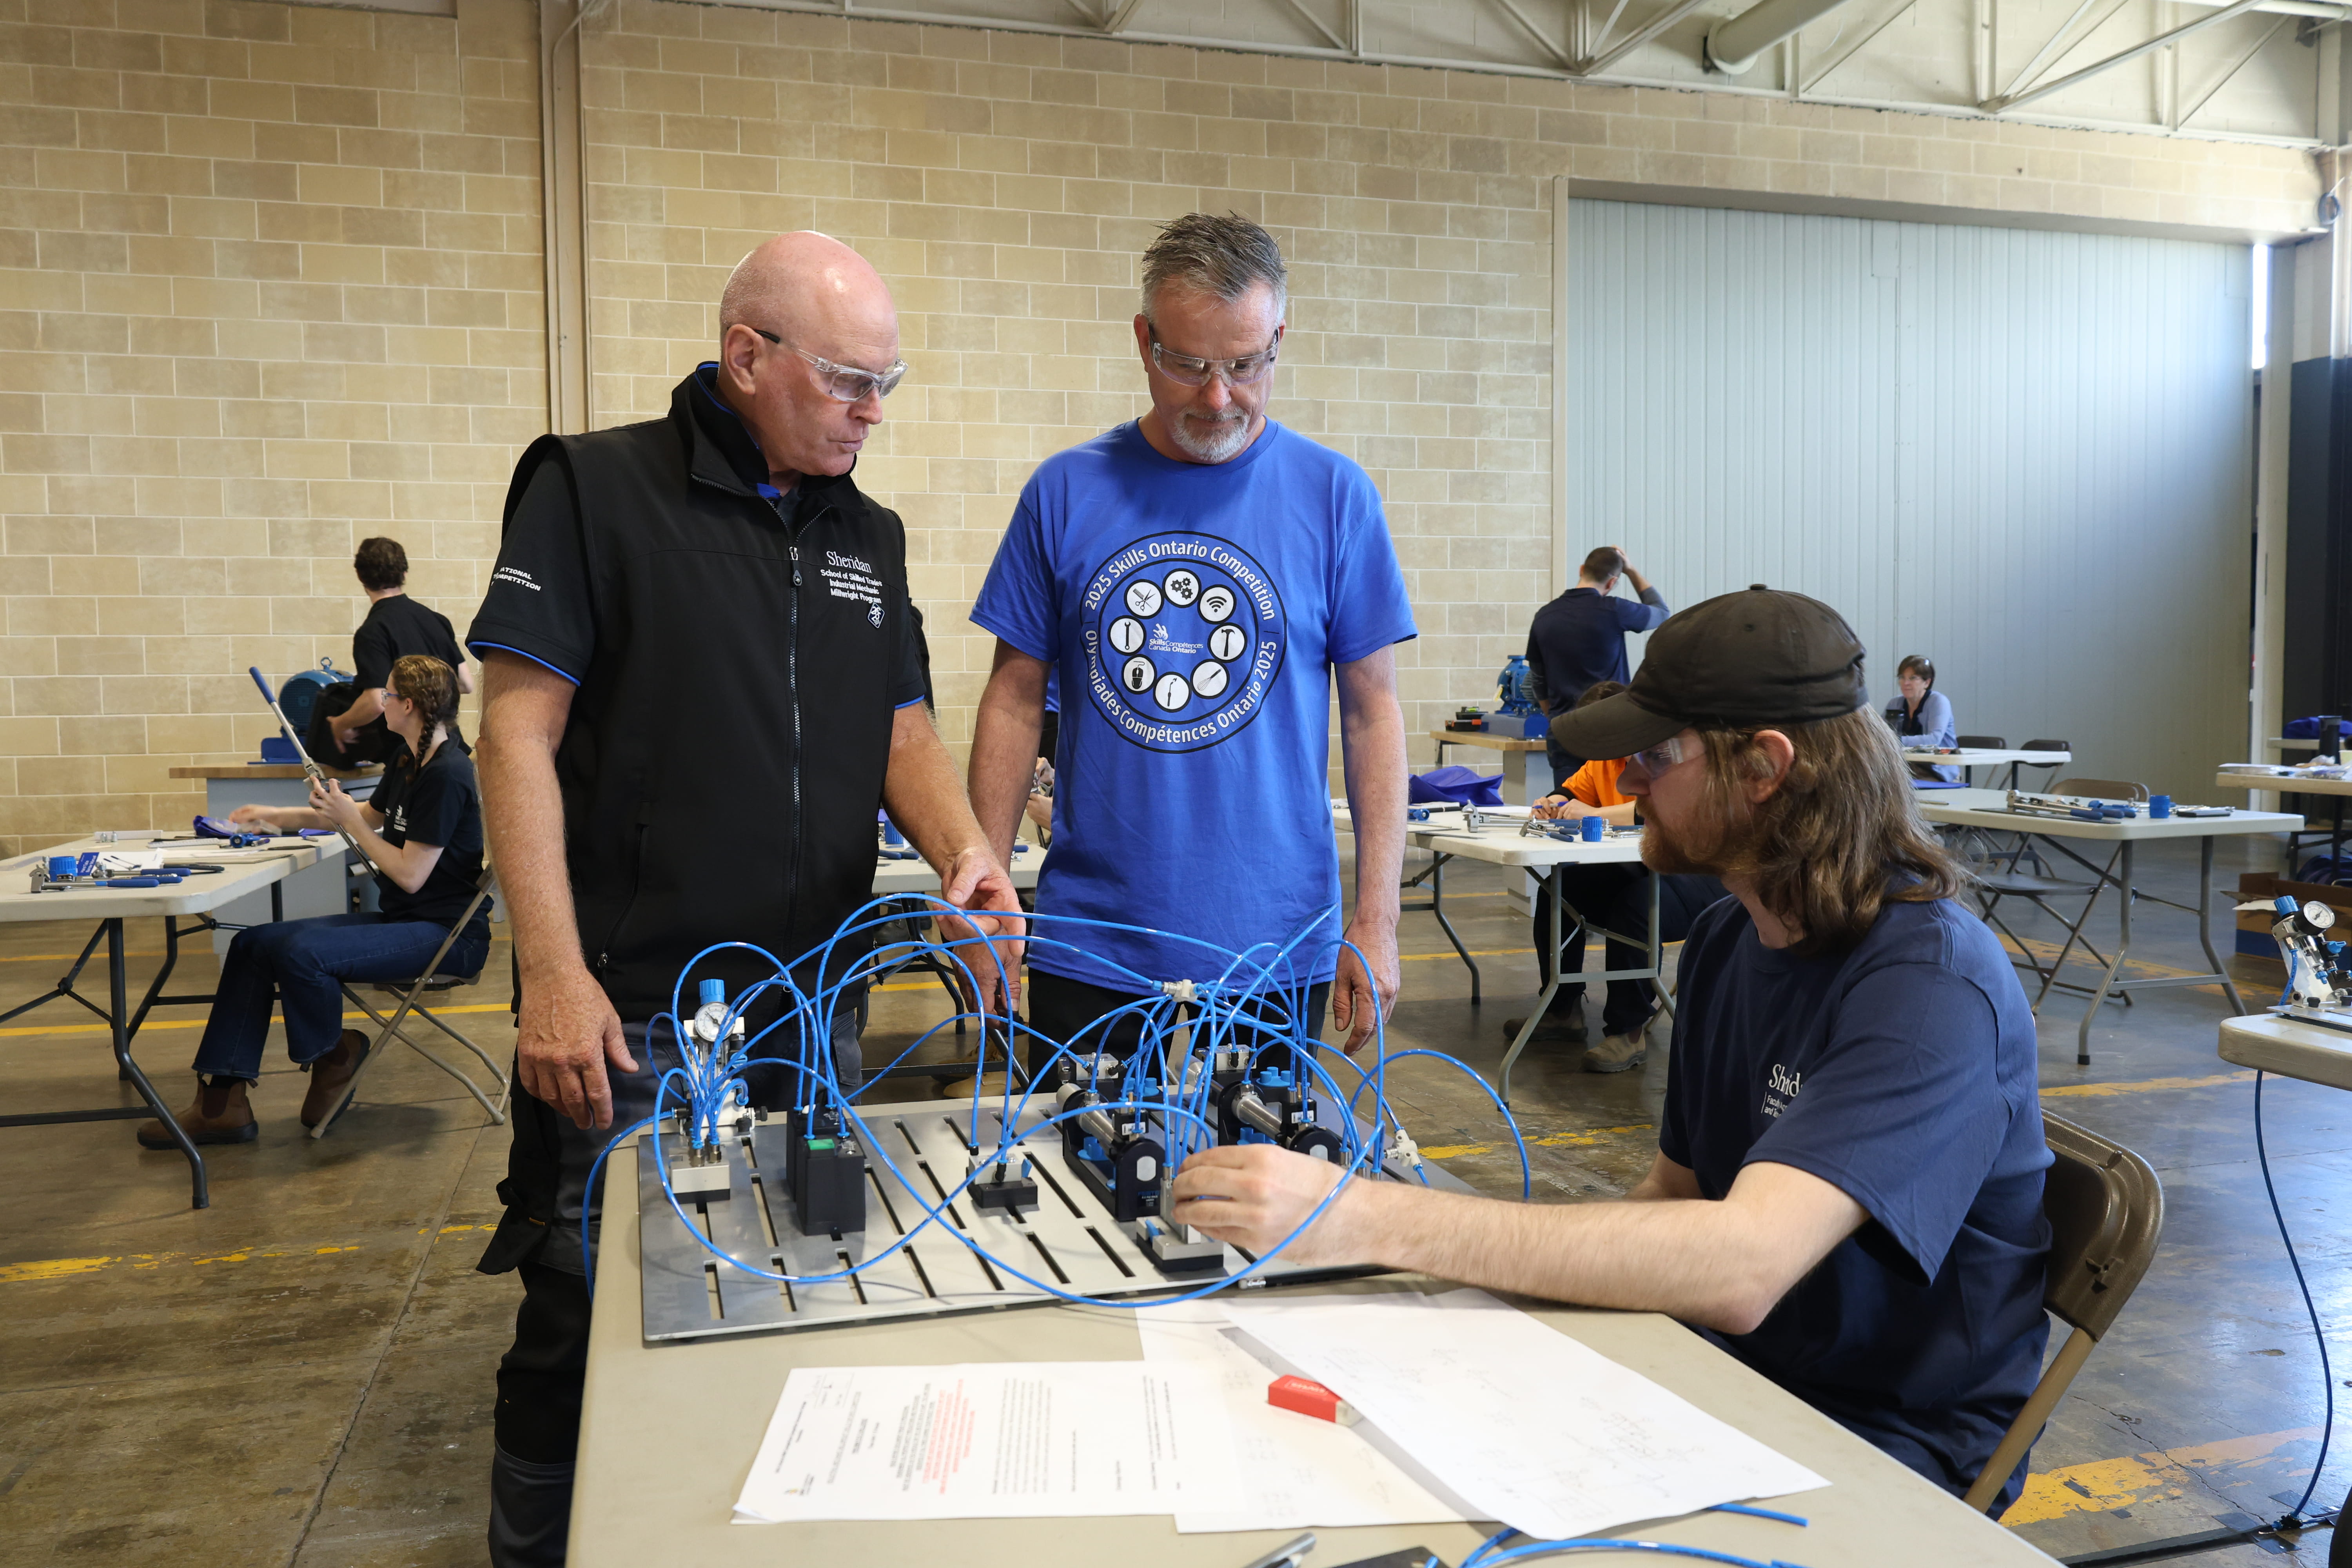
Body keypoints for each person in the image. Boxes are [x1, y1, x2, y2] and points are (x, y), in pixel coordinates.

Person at [1171, 585, 2053, 1509]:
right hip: (1725, 1381)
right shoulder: (1727, 938)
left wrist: (1360, 1218)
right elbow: (1675, 1194)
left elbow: (1743, 1264)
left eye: (1653, 755)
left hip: (1877, 1446)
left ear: (1765, 767)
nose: (1626, 782)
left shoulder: (1928, 986)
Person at [462, 230, 1024, 1568]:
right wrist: (551, 969)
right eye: (847, 381)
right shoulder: (594, 490)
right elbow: (514, 736)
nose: (872, 412)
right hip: (637, 1022)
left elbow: (903, 736)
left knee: (808, 1277)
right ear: (747, 356)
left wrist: (965, 858)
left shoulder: (863, 533)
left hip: (818, 1022)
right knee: (589, 1307)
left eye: (889, 384)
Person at [967, 212, 1413, 1067]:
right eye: (1189, 364)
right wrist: (987, 890)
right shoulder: (1064, 491)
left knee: (1264, 1184)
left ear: (1280, 337)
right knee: (1080, 1180)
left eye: (1246, 366)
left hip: (1273, 944)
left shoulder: (1336, 496)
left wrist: (1377, 916)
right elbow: (1016, 699)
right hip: (1093, 939)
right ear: (1143, 341)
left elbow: (1371, 714)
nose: (1217, 397)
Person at [136, 656, 492, 1146]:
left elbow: (410, 874)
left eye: (387, 695)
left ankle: (337, 1057)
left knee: (304, 955)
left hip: (447, 935)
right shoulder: (409, 760)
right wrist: (274, 814)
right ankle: (222, 1103)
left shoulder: (448, 773)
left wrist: (353, 820)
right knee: (253, 945)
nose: (381, 702)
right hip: (406, 922)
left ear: (408, 705)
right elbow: (364, 814)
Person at [1506, 681, 1726, 1073]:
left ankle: (1628, 1031)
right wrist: (1553, 803)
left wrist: (1592, 814)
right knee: (1562, 889)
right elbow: (1568, 791)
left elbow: (1658, 810)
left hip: (1704, 877)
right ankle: (1562, 1010)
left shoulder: (1670, 752)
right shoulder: (1605, 760)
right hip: (1645, 865)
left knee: (1638, 903)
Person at [1525, 546, 1670, 786]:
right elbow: (1661, 613)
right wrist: (1632, 571)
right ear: (1613, 582)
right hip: (1610, 728)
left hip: (1565, 730)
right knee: (1615, 809)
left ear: (1581, 570)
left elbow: (1538, 679)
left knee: (1568, 804)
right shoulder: (1614, 610)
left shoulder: (1545, 616)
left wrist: (1554, 716)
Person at [328, 537, 473, 756]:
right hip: (453, 748)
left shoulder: (372, 632)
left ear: (360, 576)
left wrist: (340, 723)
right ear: (404, 574)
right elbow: (465, 683)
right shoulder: (436, 619)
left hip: (410, 756)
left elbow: (376, 702)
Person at [1886, 653, 1959, 782]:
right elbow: (1882, 734)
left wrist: (1896, 741)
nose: (1906, 683)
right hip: (1906, 767)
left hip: (1937, 771)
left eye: (1913, 678)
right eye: (1902, 678)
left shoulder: (1938, 702)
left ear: (1927, 682)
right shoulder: (1895, 703)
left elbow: (1934, 739)